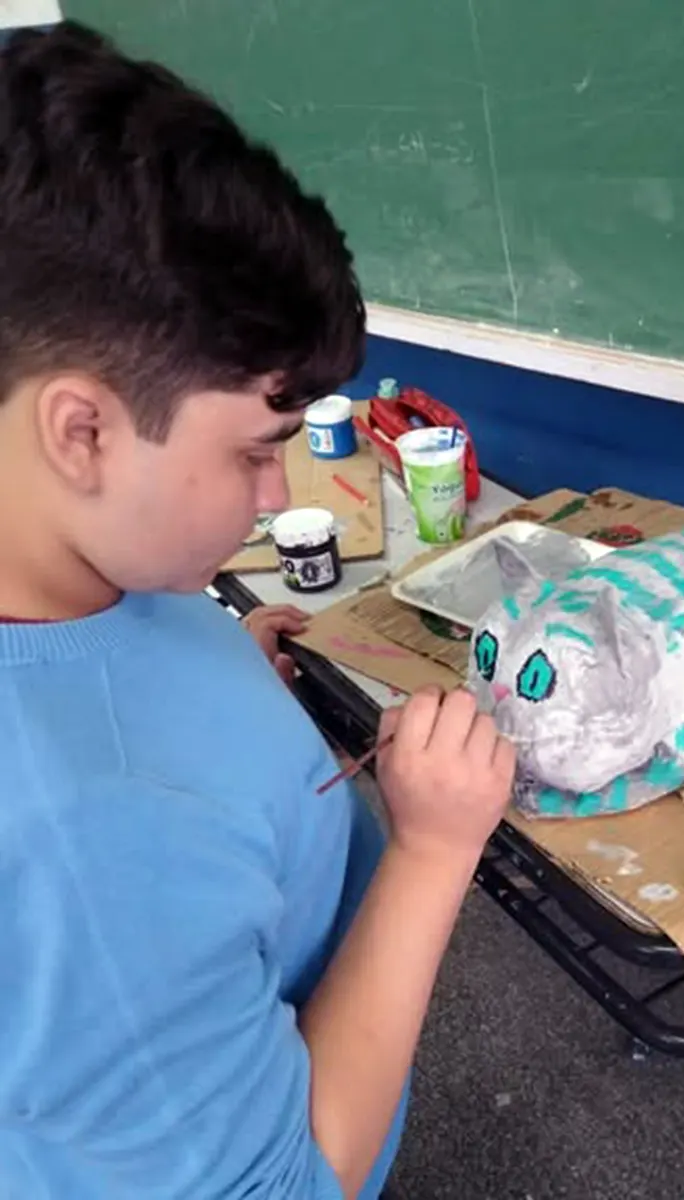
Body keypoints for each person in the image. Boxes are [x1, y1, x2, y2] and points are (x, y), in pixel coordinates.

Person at [0, 20, 515, 1200]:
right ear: (82, 431)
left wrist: (219, 671)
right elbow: (298, 1179)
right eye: (256, 451)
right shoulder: (87, 847)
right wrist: (433, 852)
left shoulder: (81, 573)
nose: (279, 495)